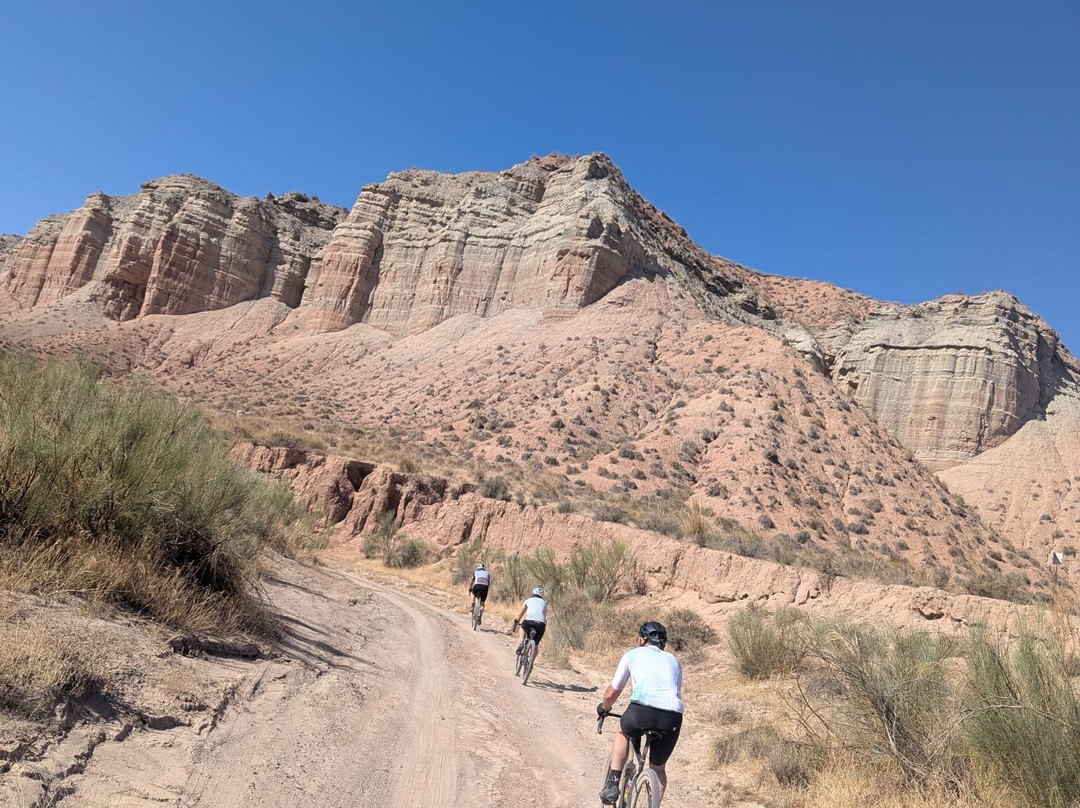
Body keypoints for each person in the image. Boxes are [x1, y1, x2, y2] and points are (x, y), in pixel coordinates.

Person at [597, 621, 683, 805]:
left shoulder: (632, 655)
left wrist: (604, 708)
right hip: (672, 716)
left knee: (622, 732)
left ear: (640, 640)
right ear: (664, 644)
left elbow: (611, 693)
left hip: (641, 710)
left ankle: (613, 783)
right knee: (658, 768)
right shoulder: (675, 661)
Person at [514, 587, 548, 661]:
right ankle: (531, 663)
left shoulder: (528, 600)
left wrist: (517, 620)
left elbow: (521, 612)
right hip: (541, 624)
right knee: (536, 646)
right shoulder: (544, 603)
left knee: (522, 628)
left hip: (528, 621)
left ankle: (521, 643)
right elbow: (544, 615)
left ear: (533, 594)